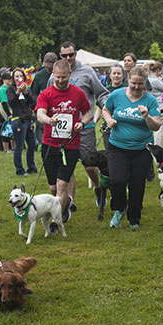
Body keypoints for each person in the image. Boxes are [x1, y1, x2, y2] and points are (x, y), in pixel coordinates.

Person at [49, 42, 110, 212]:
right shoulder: (54, 75)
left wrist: (108, 108)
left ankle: (98, 187)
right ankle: (70, 201)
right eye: (64, 56)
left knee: (89, 164)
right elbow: (47, 98)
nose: (68, 58)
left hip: (85, 126)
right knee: (66, 166)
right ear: (60, 56)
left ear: (75, 54)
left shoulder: (87, 72)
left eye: (71, 55)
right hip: (63, 129)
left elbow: (102, 93)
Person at [102, 67, 161, 229]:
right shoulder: (117, 95)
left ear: (145, 83)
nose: (136, 87)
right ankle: (119, 209)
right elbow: (106, 109)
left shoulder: (150, 100)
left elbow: (156, 126)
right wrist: (108, 120)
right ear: (128, 81)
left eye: (140, 84)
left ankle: (134, 218)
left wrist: (146, 116)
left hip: (141, 150)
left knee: (137, 184)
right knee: (117, 180)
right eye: (133, 83)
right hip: (117, 147)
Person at [36, 60, 92, 225]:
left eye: (64, 77)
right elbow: (40, 114)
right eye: (57, 77)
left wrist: (82, 123)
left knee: (62, 184)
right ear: (53, 75)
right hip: (49, 145)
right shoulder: (46, 94)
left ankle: (56, 220)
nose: (60, 81)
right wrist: (48, 120)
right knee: (53, 188)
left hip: (70, 145)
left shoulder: (78, 93)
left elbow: (87, 113)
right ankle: (65, 203)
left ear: (69, 75)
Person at [7, 68, 37, 176]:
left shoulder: (27, 89)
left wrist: (25, 93)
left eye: (20, 75)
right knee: (19, 146)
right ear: (13, 78)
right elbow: (11, 102)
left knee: (32, 144)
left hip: (28, 120)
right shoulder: (10, 90)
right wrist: (17, 92)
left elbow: (32, 104)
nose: (19, 78)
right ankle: (19, 170)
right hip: (18, 121)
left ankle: (31, 167)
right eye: (16, 76)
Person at [32, 52, 58, 146]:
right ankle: (41, 143)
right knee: (41, 126)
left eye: (51, 67)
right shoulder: (39, 75)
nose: (49, 70)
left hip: (57, 106)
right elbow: (34, 92)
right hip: (43, 105)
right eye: (48, 67)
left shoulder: (60, 74)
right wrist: (37, 105)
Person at [147, 61, 163, 148]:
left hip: (153, 106)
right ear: (158, 70)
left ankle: (158, 147)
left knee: (154, 129)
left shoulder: (149, 79)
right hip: (161, 106)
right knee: (160, 130)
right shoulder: (155, 80)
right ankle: (158, 148)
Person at [0, 69, 15, 153]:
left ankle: (13, 147)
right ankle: (6, 149)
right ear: (3, 80)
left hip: (11, 110)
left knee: (12, 130)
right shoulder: (3, 89)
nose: (10, 80)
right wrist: (9, 114)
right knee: (7, 130)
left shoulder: (8, 88)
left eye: (11, 78)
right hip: (7, 111)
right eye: (8, 79)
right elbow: (4, 102)